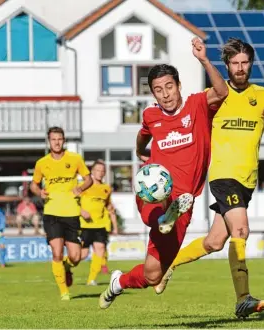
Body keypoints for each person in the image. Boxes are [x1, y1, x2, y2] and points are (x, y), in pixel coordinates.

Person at [154, 38, 264, 319]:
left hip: (247, 180)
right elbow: (185, 123)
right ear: (227, 66)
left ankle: (168, 265)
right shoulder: (215, 96)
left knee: (214, 241)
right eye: (235, 63)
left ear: (250, 64)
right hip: (222, 176)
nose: (240, 68)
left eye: (245, 63)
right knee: (241, 230)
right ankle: (243, 298)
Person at [98, 37, 228, 309]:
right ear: (153, 94)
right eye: (158, 90)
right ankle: (167, 211)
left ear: (179, 86)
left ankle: (118, 282)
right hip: (152, 189)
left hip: (186, 201)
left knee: (153, 274)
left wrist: (204, 59)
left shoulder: (197, 105)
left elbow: (222, 91)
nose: (165, 93)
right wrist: (139, 152)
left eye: (169, 86)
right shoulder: (150, 116)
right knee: (158, 212)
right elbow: (142, 135)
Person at [30, 126, 93, 301]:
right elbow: (33, 184)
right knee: (56, 253)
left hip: (72, 213)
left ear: (63, 140)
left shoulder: (75, 159)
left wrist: (80, 188)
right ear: (49, 141)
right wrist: (39, 192)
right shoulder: (42, 163)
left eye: (59, 139)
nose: (56, 142)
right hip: (52, 213)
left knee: (76, 257)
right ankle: (64, 292)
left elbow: (89, 179)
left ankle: (66, 266)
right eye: (53, 139)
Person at [78, 160, 118, 286]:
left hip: (100, 225)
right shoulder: (83, 186)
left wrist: (115, 226)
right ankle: (66, 266)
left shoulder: (106, 189)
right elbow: (72, 202)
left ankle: (91, 279)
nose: (100, 173)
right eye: (98, 170)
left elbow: (109, 207)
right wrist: (81, 211)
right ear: (92, 171)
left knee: (100, 250)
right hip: (84, 225)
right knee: (82, 255)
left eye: (102, 171)